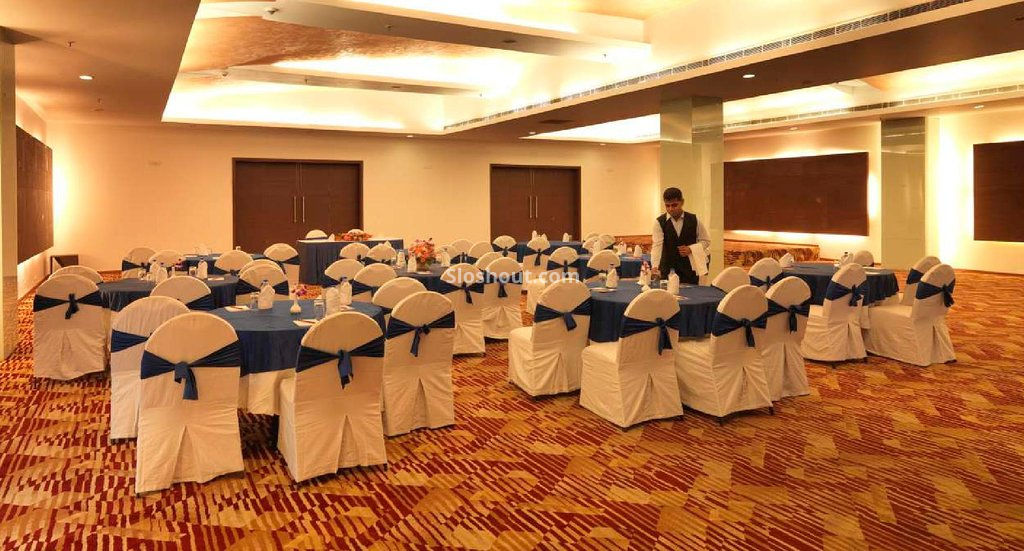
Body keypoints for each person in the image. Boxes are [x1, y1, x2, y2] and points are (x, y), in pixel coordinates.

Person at [651, 187, 710, 285]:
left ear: (682, 202)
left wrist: (691, 249)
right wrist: (655, 266)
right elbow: (657, 246)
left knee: (691, 294)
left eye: (674, 205)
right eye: (667, 206)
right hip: (667, 269)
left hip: (689, 269)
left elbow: (706, 241)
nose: (670, 209)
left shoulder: (694, 220)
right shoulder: (659, 222)